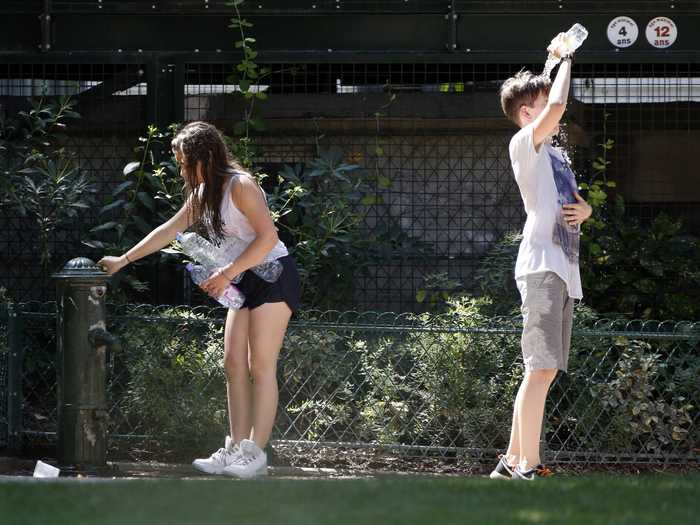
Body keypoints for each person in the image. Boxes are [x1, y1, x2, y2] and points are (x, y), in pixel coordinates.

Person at [99, 121, 300, 479]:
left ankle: (255, 455)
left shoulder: (241, 186)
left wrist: (226, 272)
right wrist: (122, 260)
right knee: (233, 364)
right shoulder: (205, 192)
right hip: (242, 280)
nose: (180, 170)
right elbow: (168, 231)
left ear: (203, 157)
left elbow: (269, 237)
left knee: (260, 365)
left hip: (273, 276)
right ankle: (236, 447)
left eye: (182, 162)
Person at [490, 34, 592, 481]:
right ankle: (528, 466)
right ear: (527, 114)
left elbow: (572, 205)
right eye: (542, 99)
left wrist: (586, 209)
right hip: (542, 267)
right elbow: (557, 107)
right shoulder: (524, 143)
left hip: (561, 270)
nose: (551, 101)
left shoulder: (553, 153)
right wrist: (566, 59)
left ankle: (510, 462)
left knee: (543, 372)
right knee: (541, 368)